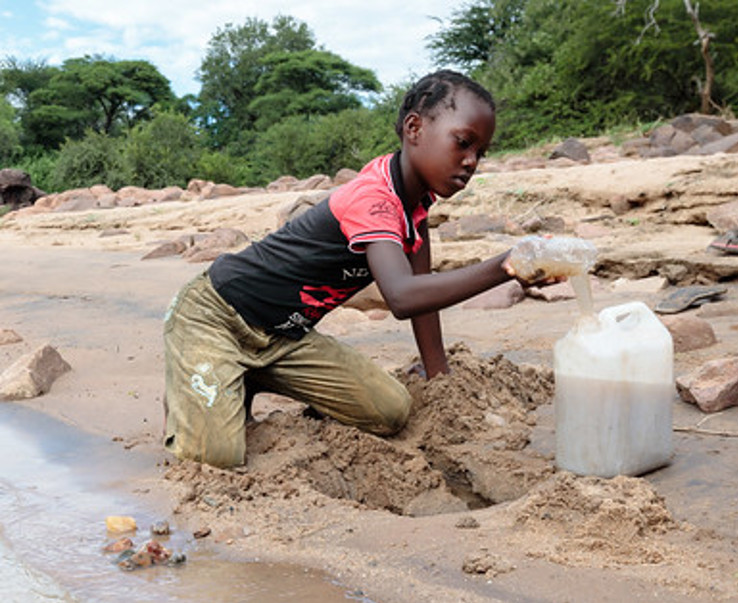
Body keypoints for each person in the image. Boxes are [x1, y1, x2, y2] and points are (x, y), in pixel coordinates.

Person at [163, 69, 543, 468]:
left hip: (283, 338)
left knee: (391, 410)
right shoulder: (373, 198)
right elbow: (401, 296)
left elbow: (422, 291)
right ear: (414, 128)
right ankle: (202, 382)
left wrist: (439, 375)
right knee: (214, 458)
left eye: (480, 153)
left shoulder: (414, 207)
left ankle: (250, 377)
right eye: (463, 143)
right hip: (215, 318)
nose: (471, 162)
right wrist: (507, 266)